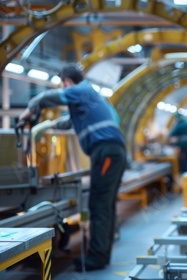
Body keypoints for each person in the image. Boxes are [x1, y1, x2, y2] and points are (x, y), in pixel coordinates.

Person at [18, 64, 127, 271]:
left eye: (63, 84)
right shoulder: (87, 97)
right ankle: (101, 254)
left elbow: (45, 98)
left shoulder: (81, 90)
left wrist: (29, 112)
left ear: (67, 82)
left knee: (99, 205)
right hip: (111, 153)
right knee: (106, 204)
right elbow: (71, 122)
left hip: (106, 154)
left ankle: (97, 257)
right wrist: (49, 125)